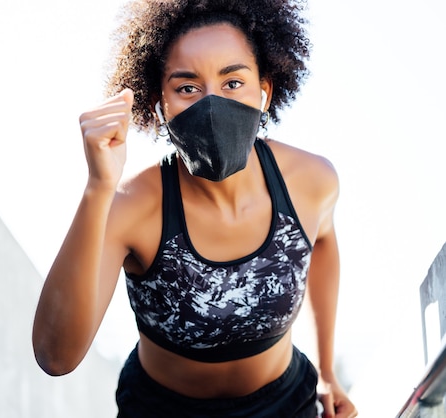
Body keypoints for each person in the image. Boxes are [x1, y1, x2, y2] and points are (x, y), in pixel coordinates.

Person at [33, 0, 357, 416]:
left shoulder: (311, 181)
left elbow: (324, 242)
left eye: (233, 82)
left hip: (286, 404)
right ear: (159, 106)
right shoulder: (130, 208)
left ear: (264, 92)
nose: (212, 105)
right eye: (187, 87)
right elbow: (55, 357)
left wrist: (327, 369)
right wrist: (99, 187)